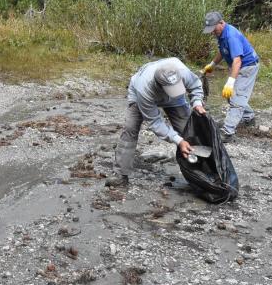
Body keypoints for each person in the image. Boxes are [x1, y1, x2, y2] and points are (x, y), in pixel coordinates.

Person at [107, 57, 207, 188]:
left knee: (189, 130)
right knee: (130, 129)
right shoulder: (144, 89)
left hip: (175, 100)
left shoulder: (182, 71)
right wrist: (178, 141)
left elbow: (196, 86)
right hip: (139, 96)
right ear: (159, 85)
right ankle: (120, 175)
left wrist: (197, 103)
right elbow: (155, 122)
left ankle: (200, 175)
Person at [202, 11, 259, 142]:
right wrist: (212, 64)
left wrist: (230, 82)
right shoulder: (221, 33)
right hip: (239, 65)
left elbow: (237, 60)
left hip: (247, 66)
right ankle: (249, 117)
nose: (212, 32)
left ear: (221, 23)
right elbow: (222, 51)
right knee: (232, 95)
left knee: (236, 96)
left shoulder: (231, 36)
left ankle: (227, 132)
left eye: (213, 29)